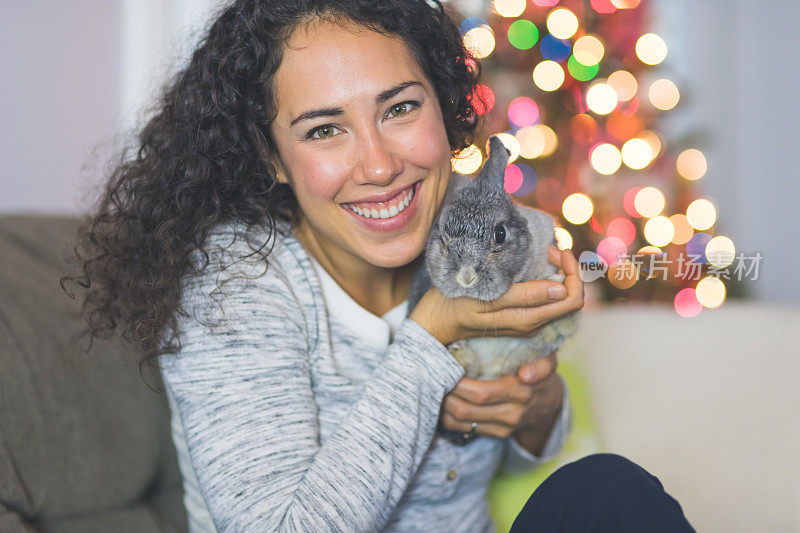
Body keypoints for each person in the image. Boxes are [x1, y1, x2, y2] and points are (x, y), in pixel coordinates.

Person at [63, 0, 695, 531]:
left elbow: (524, 449)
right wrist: (433, 332)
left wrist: (536, 407)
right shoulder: (237, 285)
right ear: (272, 156)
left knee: (608, 492)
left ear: (445, 109)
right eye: (323, 130)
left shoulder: (471, 232)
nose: (378, 165)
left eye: (399, 109)